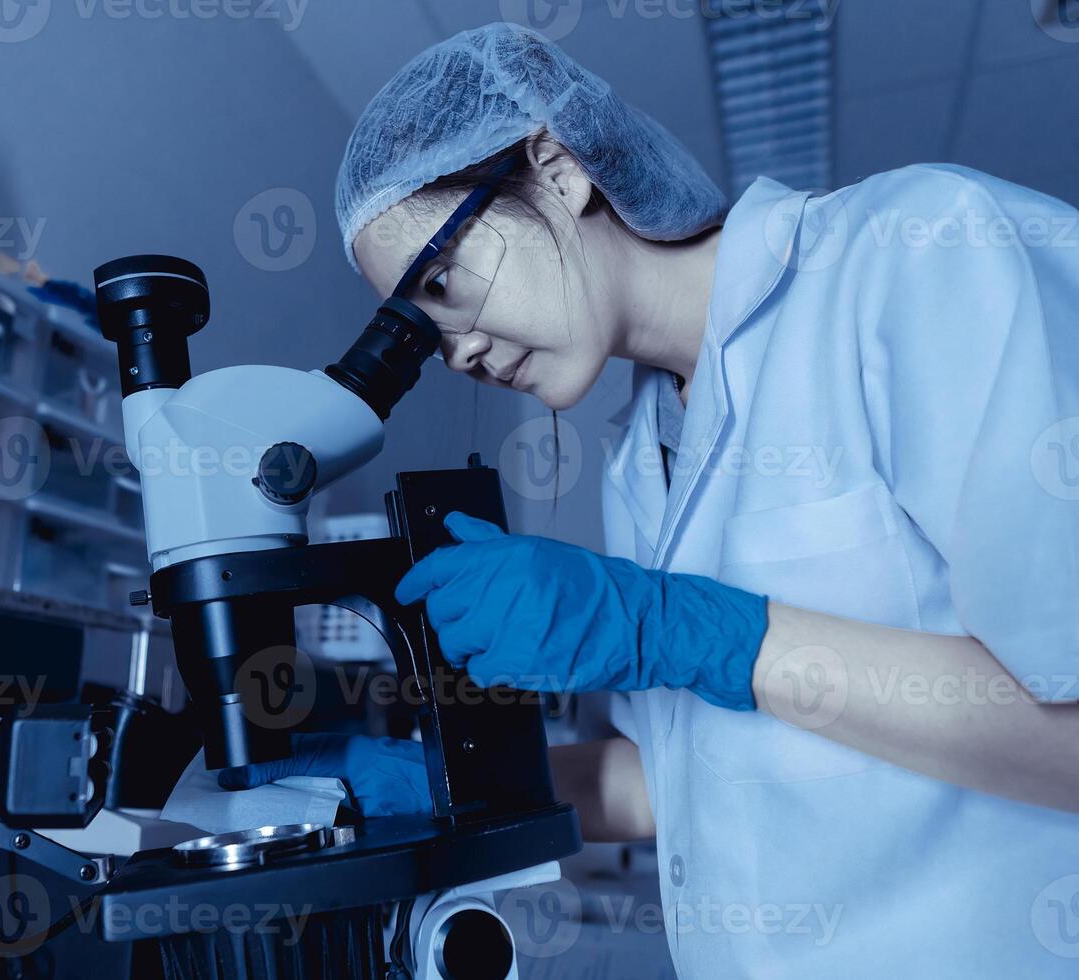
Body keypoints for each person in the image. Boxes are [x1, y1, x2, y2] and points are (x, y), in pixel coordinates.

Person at [222, 22, 1079, 976]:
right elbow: (680, 785)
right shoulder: (643, 459)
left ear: (556, 170)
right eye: (423, 330)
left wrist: (700, 631)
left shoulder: (916, 258)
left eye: (443, 281)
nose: (456, 349)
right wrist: (444, 782)